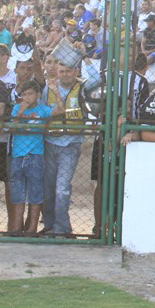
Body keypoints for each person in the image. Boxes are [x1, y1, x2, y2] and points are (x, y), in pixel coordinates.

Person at [41, 60, 94, 237]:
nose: (64, 74)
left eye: (68, 71)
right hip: (50, 142)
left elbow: (97, 80)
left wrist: (86, 59)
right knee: (48, 187)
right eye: (61, 71)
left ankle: (61, 228)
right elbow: (42, 110)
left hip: (70, 143)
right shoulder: (49, 88)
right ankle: (49, 225)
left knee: (62, 189)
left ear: (76, 71)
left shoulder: (82, 87)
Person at [7, 80, 51, 235]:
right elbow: (12, 127)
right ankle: (17, 227)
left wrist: (55, 91)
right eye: (24, 95)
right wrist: (20, 112)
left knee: (35, 192)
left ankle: (32, 227)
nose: (27, 97)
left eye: (30, 94)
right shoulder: (17, 108)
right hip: (18, 155)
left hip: (35, 155)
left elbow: (59, 110)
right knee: (17, 193)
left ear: (38, 95)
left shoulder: (43, 110)